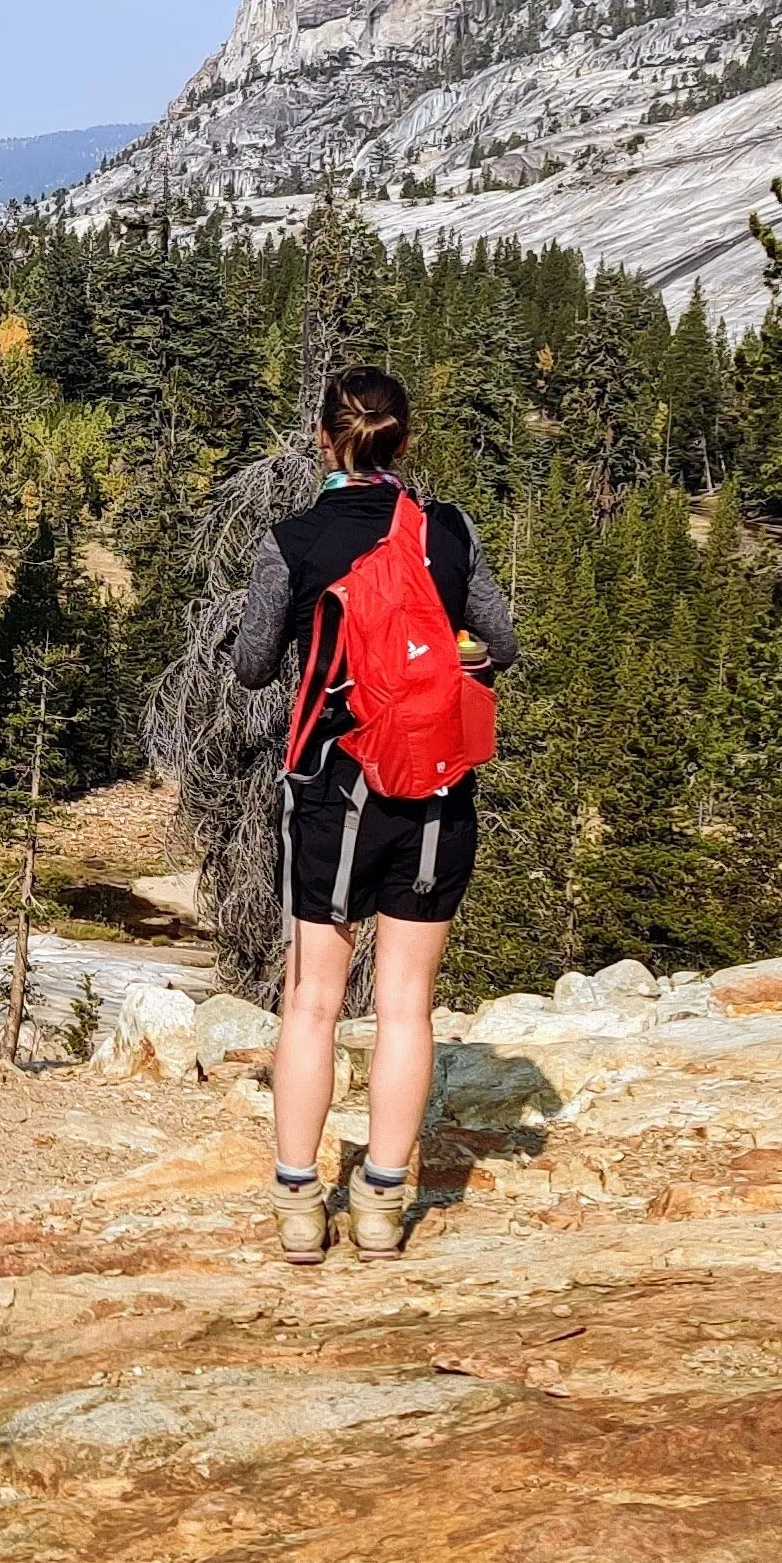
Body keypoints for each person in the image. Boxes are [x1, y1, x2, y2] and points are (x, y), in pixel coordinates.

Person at [225, 365, 514, 1264]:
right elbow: (499, 642)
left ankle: (299, 1203)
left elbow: (250, 666)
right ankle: (385, 1203)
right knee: (407, 1007)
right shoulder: (447, 531)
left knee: (312, 1002)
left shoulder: (296, 539)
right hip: (433, 790)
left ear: (324, 439)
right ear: (405, 439)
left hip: (333, 788)